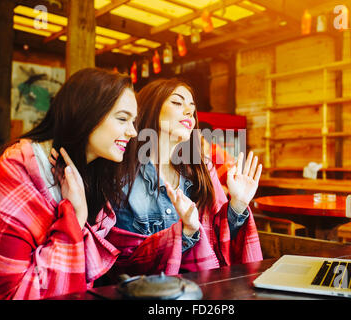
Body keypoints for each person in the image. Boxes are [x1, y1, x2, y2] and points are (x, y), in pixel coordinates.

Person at [0, 68, 138, 299]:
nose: (133, 131)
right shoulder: (16, 168)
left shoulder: (89, 174)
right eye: (122, 119)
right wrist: (75, 219)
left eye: (134, 121)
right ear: (85, 114)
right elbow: (11, 293)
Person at [109, 78, 263, 277]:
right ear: (151, 108)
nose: (189, 111)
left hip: (208, 288)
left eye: (192, 106)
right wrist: (185, 232)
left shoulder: (202, 170)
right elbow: (125, 265)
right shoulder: (123, 178)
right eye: (177, 102)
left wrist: (238, 205)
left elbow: (219, 243)